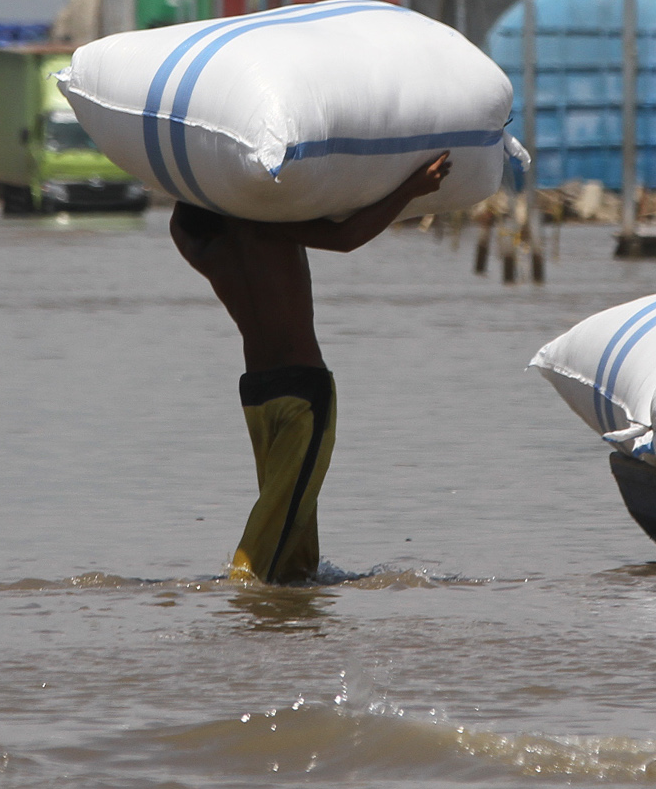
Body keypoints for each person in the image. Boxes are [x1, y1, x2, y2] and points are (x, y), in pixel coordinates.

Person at [169, 152, 452, 585]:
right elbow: (346, 236)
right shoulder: (268, 222)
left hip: (257, 395)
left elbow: (182, 207)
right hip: (303, 394)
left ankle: (293, 626)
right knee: (272, 537)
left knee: (293, 534)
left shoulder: (197, 243)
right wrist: (412, 188)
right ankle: (238, 605)